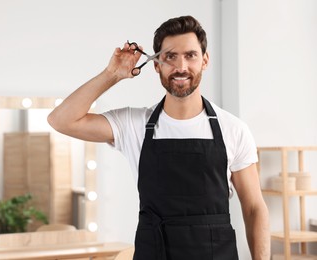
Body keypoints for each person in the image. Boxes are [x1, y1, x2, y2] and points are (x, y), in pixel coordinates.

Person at [48, 15, 270, 260]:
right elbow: (61, 120)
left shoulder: (233, 129)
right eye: (170, 57)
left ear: (205, 61)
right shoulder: (134, 125)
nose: (181, 67)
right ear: (156, 65)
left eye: (190, 55)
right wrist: (112, 74)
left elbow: (253, 208)